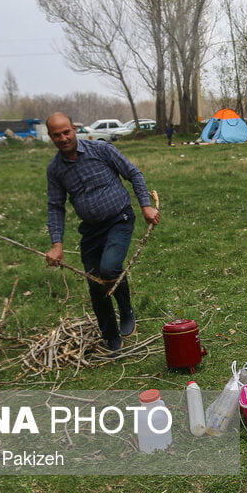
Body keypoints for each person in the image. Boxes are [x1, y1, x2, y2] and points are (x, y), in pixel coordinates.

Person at [44, 112, 160, 354]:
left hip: (120, 218)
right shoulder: (55, 169)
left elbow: (133, 173)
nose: (63, 138)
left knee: (109, 268)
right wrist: (57, 244)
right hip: (91, 231)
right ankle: (110, 335)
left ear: (74, 129)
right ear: (51, 137)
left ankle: (126, 309)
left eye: (66, 132)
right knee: (95, 282)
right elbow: (55, 206)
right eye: (57, 135)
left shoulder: (101, 150)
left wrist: (145, 205)